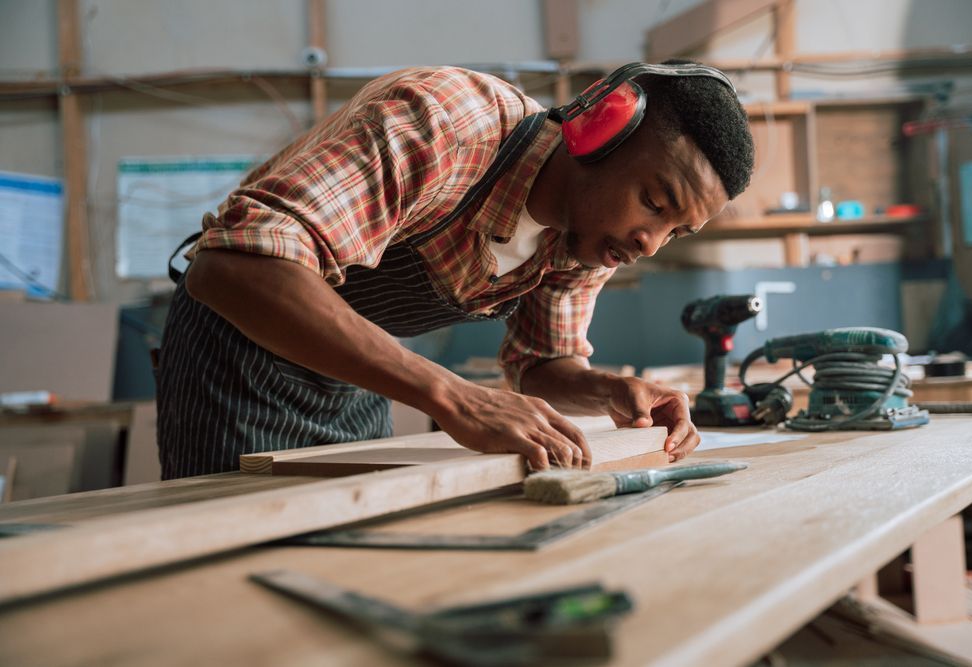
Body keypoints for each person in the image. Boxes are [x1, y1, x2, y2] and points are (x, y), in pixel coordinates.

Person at [155, 61, 754, 479]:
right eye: (654, 203)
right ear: (599, 129)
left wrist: (612, 392)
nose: (650, 244)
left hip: (356, 372)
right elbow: (231, 266)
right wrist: (452, 396)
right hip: (236, 354)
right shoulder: (444, 120)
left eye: (677, 230)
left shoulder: (590, 236)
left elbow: (542, 367)